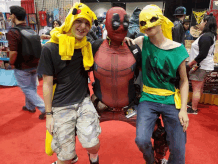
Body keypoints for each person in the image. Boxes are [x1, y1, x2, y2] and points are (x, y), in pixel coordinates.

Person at [91, 7, 168, 164]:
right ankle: (74, 156)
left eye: (125, 23)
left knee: (160, 133)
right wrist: (92, 99)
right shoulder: (94, 47)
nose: (121, 27)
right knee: (73, 128)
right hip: (100, 107)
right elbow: (79, 76)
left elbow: (150, 77)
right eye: (116, 22)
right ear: (106, 23)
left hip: (130, 108)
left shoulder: (134, 49)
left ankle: (158, 160)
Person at [37, 3, 101, 164]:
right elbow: (46, 83)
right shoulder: (50, 48)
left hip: (83, 101)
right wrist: (49, 115)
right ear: (70, 20)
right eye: (79, 21)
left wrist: (131, 39)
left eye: (87, 23)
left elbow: (112, 43)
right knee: (65, 156)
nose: (83, 26)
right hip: (60, 105)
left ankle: (93, 157)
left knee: (93, 144)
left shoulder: (87, 46)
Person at [126, 5, 189, 164]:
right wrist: (124, 41)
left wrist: (183, 110)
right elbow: (124, 47)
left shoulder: (178, 49)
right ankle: (151, 161)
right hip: (148, 98)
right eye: (143, 22)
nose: (148, 24)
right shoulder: (142, 41)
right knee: (141, 140)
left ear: (160, 20)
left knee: (179, 149)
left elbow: (184, 80)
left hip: (170, 99)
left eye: (152, 19)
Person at [7, 6, 46, 120]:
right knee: (32, 87)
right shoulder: (31, 30)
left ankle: (44, 108)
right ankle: (30, 106)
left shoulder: (13, 32)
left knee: (27, 89)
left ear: (13, 16)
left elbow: (13, 52)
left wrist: (11, 63)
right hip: (35, 64)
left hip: (22, 66)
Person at [187, 13, 217, 114]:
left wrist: (192, 63)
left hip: (201, 66)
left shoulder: (206, 36)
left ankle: (193, 109)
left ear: (206, 23)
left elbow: (202, 54)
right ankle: (194, 104)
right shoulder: (209, 35)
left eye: (201, 21)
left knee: (196, 88)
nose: (199, 24)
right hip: (204, 65)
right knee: (199, 87)